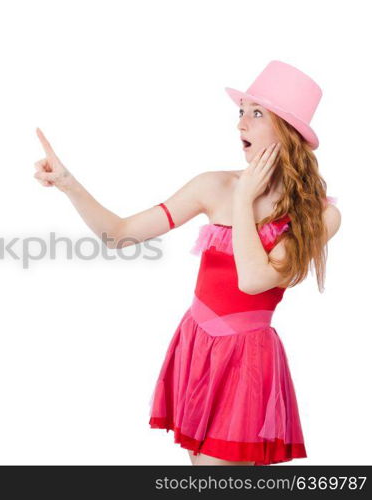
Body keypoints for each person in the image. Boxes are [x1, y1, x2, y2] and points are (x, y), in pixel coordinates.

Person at [32, 60, 341, 465]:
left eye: (257, 113)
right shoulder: (212, 186)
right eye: (241, 112)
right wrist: (69, 185)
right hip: (197, 342)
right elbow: (120, 234)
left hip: (246, 356)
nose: (240, 125)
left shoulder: (318, 215)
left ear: (289, 131)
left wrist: (245, 200)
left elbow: (252, 280)